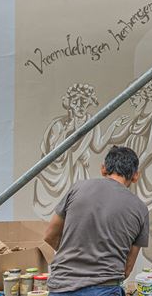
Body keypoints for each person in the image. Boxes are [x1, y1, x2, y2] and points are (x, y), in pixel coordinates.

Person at [45, 146, 149, 296]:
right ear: (135, 175)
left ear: (103, 168)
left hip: (63, 294)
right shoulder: (139, 208)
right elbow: (127, 268)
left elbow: (49, 236)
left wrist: (73, 252)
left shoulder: (77, 189)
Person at [96, 80, 152, 264]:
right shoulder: (136, 120)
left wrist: (134, 170)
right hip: (134, 171)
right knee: (141, 223)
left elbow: (151, 148)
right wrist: (109, 127)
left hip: (149, 172)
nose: (132, 103)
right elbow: (116, 138)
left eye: (135, 98)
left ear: (145, 96)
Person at [32, 84, 101, 218]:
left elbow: (98, 147)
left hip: (78, 171)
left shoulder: (91, 122)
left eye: (84, 101)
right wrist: (67, 131)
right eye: (75, 102)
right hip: (59, 173)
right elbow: (52, 154)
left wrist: (114, 128)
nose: (80, 106)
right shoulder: (58, 124)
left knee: (79, 208)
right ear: (69, 104)